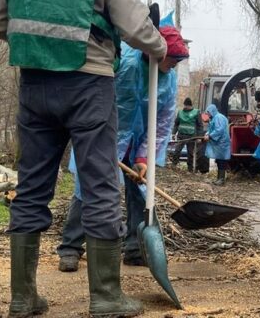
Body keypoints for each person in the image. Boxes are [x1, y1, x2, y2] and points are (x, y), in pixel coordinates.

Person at [0, 0, 168, 316]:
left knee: (31, 186)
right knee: (100, 183)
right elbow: (134, 25)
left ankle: (22, 297)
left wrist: (39, 46)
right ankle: (106, 297)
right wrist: (160, 47)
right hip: (88, 84)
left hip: (34, 84)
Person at [57, 21, 188, 272]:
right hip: (106, 134)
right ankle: (70, 248)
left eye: (178, 61)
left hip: (138, 141)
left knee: (141, 192)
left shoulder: (168, 80)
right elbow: (100, 98)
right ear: (155, 52)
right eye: (172, 59)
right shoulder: (126, 64)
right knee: (89, 188)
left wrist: (143, 156)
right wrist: (99, 138)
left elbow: (162, 122)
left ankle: (134, 249)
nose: (174, 65)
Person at [171, 97, 203, 170]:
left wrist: (199, 137)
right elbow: (176, 124)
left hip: (191, 136)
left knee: (190, 153)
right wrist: (173, 134)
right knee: (177, 151)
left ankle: (190, 169)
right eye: (185, 105)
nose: (185, 107)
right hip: (181, 135)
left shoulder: (196, 112)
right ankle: (173, 166)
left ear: (190, 105)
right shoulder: (180, 112)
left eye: (187, 106)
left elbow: (200, 125)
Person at [204, 104, 231, 185]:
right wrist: (207, 134)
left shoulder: (219, 117)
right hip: (219, 143)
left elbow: (219, 130)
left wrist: (210, 136)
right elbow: (211, 129)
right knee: (219, 160)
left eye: (208, 112)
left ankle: (221, 179)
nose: (207, 114)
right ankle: (219, 178)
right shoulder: (214, 118)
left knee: (222, 161)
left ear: (212, 111)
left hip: (222, 143)